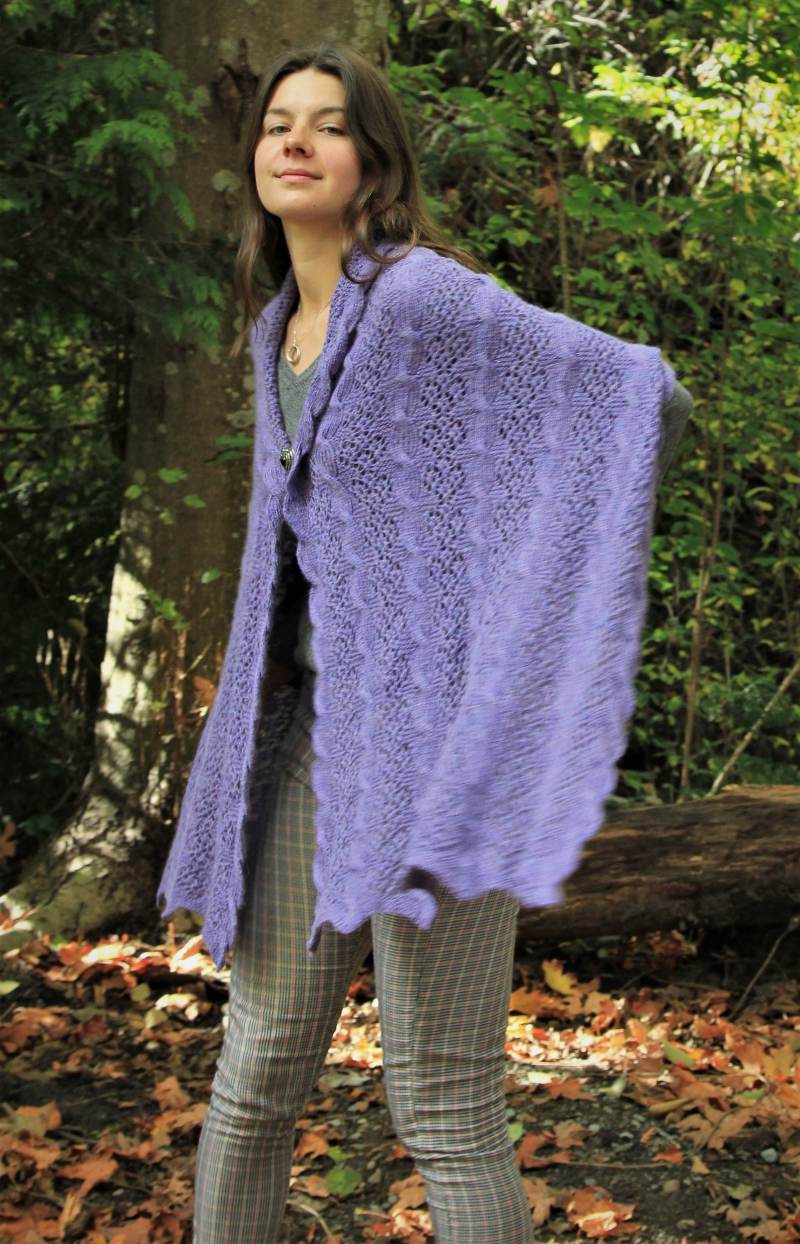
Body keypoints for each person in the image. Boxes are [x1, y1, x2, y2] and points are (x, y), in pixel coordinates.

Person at [165, 39, 693, 1244]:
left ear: (375, 158)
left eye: (328, 123)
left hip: (446, 752)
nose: (295, 141)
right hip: (308, 743)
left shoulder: (418, 298)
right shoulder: (276, 329)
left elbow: (639, 402)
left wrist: (523, 602)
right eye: (277, 122)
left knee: (444, 1100)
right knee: (254, 1073)